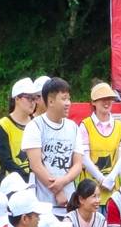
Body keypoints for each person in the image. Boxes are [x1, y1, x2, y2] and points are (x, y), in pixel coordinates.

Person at [23, 77, 83, 216]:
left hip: (69, 203)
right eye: (64, 99)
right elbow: (36, 165)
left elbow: (78, 164)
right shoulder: (35, 126)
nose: (68, 103)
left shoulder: (73, 127)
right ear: (50, 101)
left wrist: (63, 182)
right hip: (42, 204)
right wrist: (58, 191)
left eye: (69, 99)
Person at [80, 82, 121, 204]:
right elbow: (84, 157)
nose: (107, 102)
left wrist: (111, 178)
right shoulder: (85, 125)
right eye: (102, 99)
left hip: (113, 191)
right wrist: (102, 179)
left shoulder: (120, 127)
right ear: (93, 102)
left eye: (109, 98)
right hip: (89, 191)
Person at [0, 78, 37, 181]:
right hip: (11, 183)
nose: (32, 102)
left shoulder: (36, 123)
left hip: (35, 182)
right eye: (28, 98)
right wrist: (27, 178)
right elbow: (6, 161)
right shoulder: (3, 125)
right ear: (17, 99)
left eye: (34, 98)